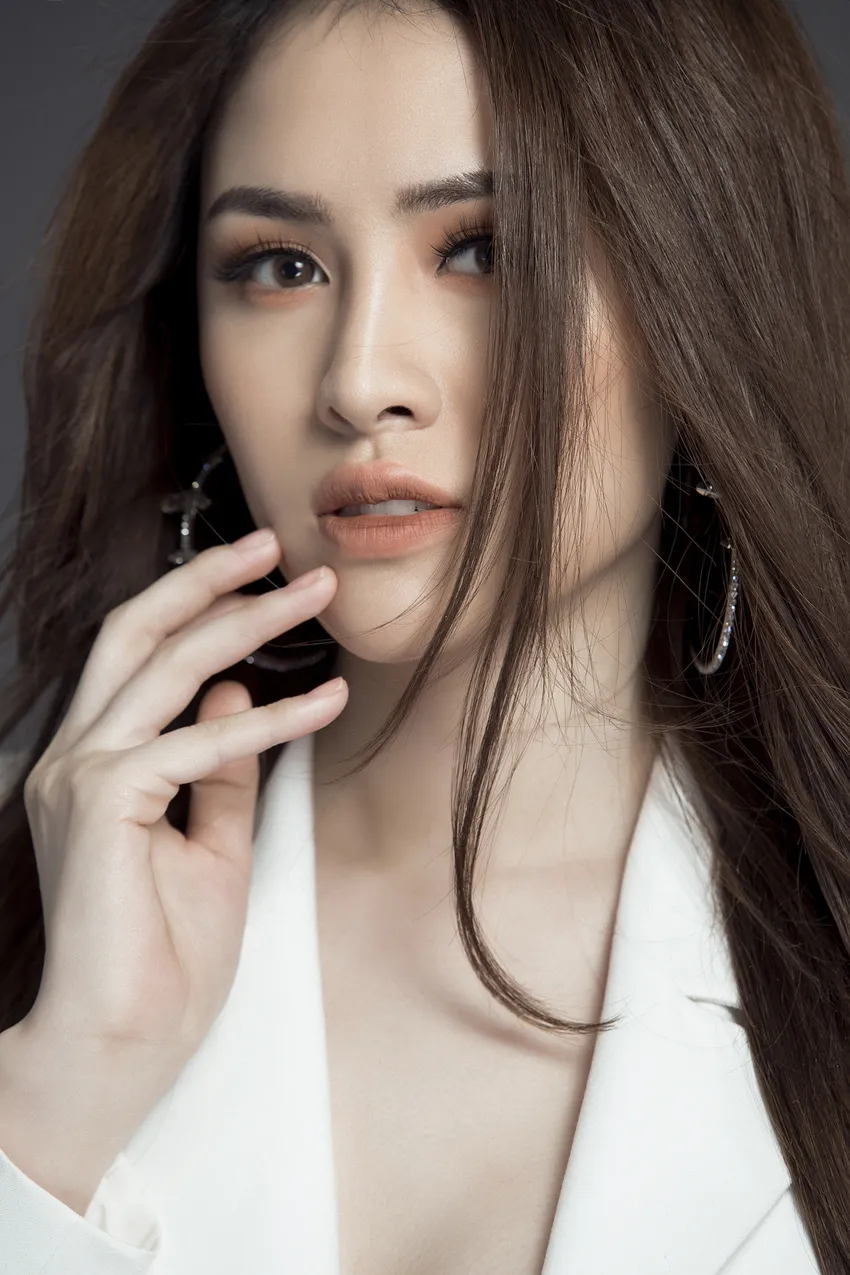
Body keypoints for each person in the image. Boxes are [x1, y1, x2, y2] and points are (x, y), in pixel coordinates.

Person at [0, 0, 845, 1269]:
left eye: (484, 249)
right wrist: (55, 1096)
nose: (358, 382)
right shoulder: (48, 948)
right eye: (279, 267)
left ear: (705, 303)